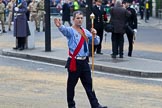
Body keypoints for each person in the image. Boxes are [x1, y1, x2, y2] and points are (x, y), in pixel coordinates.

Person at [54, 10, 107, 108]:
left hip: (84, 61)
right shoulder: (70, 30)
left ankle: (95, 105)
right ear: (73, 19)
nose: (80, 20)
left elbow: (95, 42)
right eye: (77, 18)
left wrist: (95, 35)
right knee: (71, 85)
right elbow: (64, 30)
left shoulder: (85, 31)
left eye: (81, 18)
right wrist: (60, 26)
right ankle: (71, 105)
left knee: (89, 85)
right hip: (75, 61)